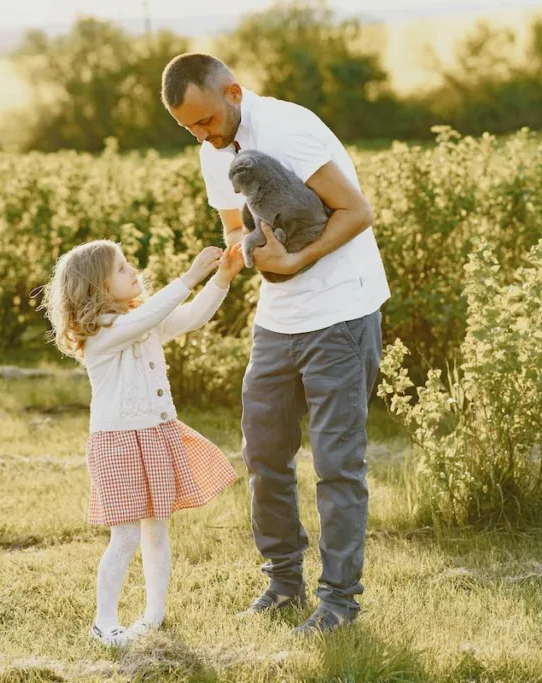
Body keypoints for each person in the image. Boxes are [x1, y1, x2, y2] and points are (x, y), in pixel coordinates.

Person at [161, 53, 391, 635]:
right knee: (264, 455)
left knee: (338, 463)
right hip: (278, 319)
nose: (204, 136)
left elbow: (356, 211)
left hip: (340, 311)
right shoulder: (212, 152)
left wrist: (296, 258)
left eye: (207, 121)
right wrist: (234, 260)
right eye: (189, 129)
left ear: (234, 93)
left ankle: (339, 602)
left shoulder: (290, 128)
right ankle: (284, 584)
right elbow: (236, 228)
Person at [40, 239, 244, 646]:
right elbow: (151, 315)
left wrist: (221, 278)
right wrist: (189, 276)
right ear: (96, 287)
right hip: (116, 443)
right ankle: (104, 621)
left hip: (155, 433)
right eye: (121, 268)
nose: (133, 271)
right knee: (126, 536)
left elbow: (189, 318)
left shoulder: (140, 318)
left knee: (157, 531)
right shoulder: (101, 334)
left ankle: (154, 614)